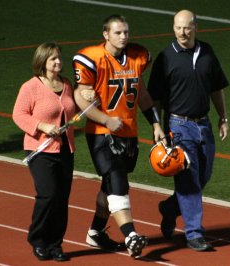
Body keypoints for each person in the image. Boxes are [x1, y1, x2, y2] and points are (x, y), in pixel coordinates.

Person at [73, 14, 165, 258]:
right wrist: (105, 119)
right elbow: (79, 96)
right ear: (105, 34)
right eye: (117, 32)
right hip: (102, 133)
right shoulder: (92, 58)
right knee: (117, 180)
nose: (123, 36)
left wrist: (155, 123)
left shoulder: (137, 57)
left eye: (126, 32)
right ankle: (131, 235)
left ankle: (95, 232)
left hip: (129, 132)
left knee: (110, 186)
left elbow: (142, 93)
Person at [147, 9, 229, 251]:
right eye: (178, 27)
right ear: (173, 28)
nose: (182, 32)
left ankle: (170, 208)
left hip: (203, 124)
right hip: (178, 126)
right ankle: (194, 233)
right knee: (189, 180)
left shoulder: (207, 52)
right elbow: (156, 97)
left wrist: (223, 117)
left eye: (187, 27)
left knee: (203, 177)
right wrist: (157, 127)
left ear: (196, 27)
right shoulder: (166, 58)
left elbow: (216, 88)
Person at [13, 42, 76, 261]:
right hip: (40, 150)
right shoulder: (31, 86)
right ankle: (38, 239)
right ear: (43, 62)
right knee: (48, 195)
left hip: (65, 150)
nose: (58, 62)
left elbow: (73, 107)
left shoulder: (67, 84)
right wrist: (43, 126)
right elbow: (19, 114)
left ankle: (55, 244)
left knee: (61, 198)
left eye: (59, 57)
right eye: (53, 59)